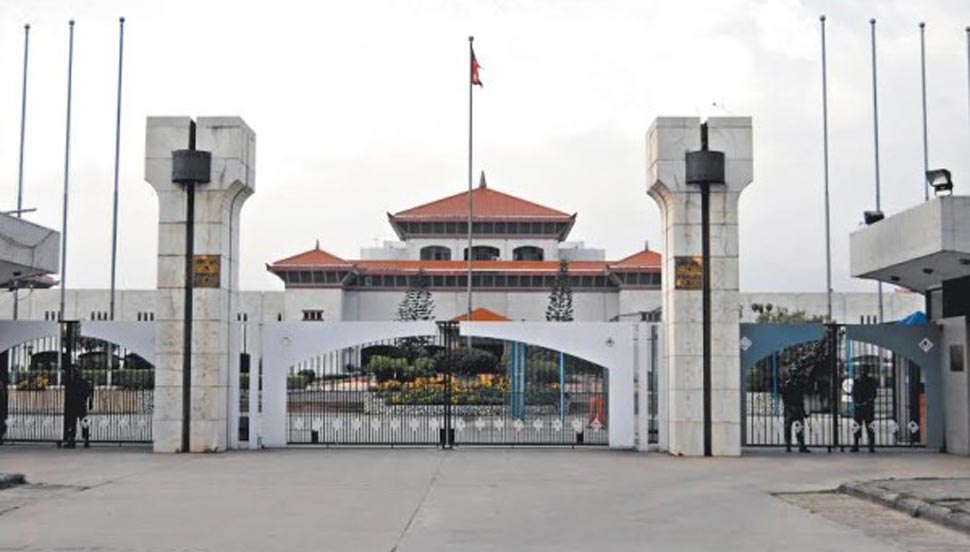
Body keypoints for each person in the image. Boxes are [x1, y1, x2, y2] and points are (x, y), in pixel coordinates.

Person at [62, 368, 93, 449]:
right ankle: (86, 440)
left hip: (74, 405)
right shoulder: (83, 382)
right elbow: (89, 393)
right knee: (84, 423)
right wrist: (89, 402)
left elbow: (69, 395)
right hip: (82, 404)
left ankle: (72, 440)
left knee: (73, 423)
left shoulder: (72, 383)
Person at [781, 370, 810, 453]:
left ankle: (792, 445)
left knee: (793, 428)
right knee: (794, 427)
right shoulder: (795, 386)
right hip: (794, 409)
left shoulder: (789, 385)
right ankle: (797, 445)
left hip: (792, 409)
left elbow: (785, 398)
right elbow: (786, 398)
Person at [851, 367, 878, 453]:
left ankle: (865, 445)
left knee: (867, 426)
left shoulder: (867, 381)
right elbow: (853, 393)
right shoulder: (859, 381)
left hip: (864, 406)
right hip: (864, 406)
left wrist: (859, 402)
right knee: (860, 426)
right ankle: (861, 445)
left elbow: (873, 394)